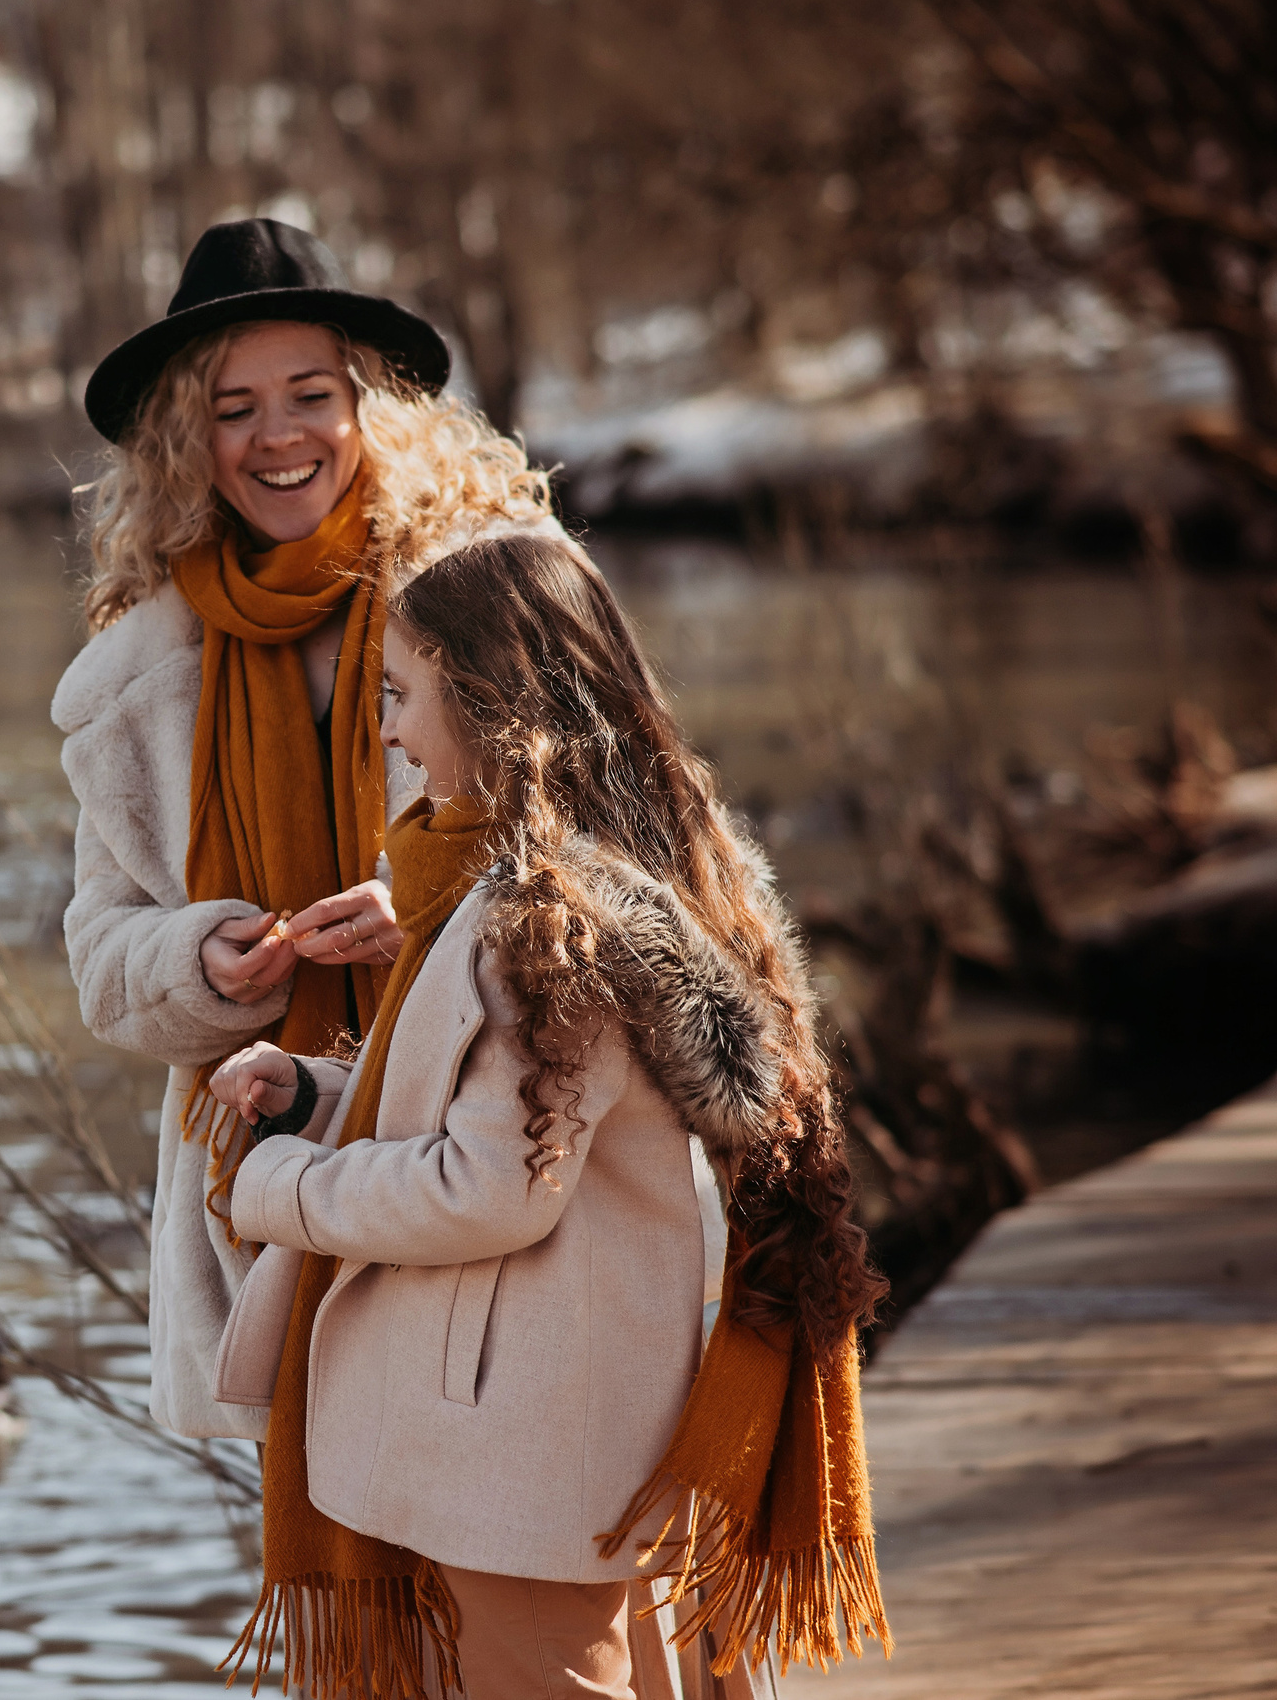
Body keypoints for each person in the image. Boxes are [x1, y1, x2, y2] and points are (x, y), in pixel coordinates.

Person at [203, 532, 890, 1699]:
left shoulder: (540, 921)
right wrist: (324, 1095)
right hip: (592, 1397)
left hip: (522, 1433)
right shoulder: (616, 875)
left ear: (488, 701)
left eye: (400, 694)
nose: (388, 732)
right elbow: (526, 1111)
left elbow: (494, 1184)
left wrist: (282, 1186)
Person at [53, 218, 559, 1449]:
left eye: (308, 395)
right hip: (264, 1198)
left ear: (368, 406)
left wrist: (431, 911)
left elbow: (622, 851)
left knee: (503, 1530)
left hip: (490, 1154)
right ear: (187, 440)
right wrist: (197, 960)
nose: (277, 436)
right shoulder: (135, 678)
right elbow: (100, 961)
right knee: (325, 1556)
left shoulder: (500, 598)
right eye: (234, 409)